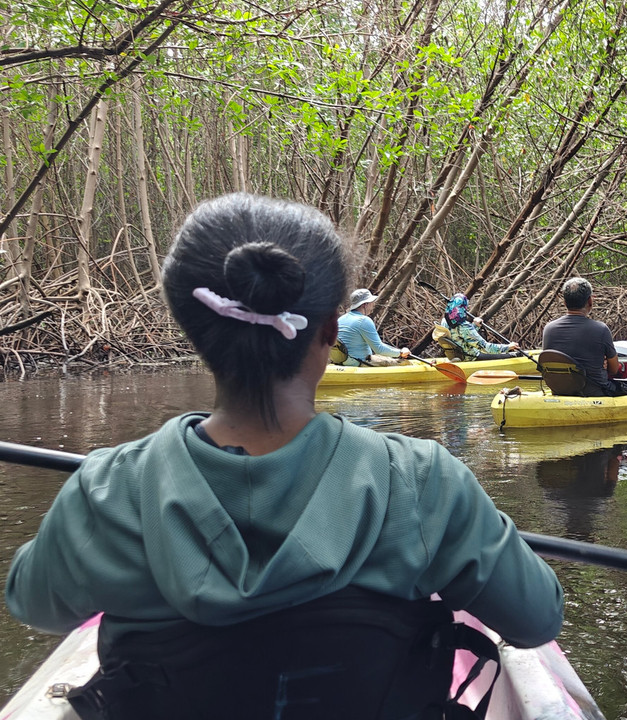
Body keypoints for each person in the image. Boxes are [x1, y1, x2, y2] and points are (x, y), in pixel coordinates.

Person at [4, 193, 563, 719]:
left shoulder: (105, 490)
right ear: (328, 328)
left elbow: (34, 603)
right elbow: (537, 619)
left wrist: (93, 506)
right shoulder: (428, 483)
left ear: (189, 328)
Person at [336, 287, 411, 366]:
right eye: (371, 302)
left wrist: (398, 351)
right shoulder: (364, 320)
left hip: (341, 362)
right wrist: (400, 353)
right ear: (365, 304)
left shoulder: (340, 319)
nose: (373, 304)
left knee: (382, 358)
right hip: (358, 362)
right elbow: (379, 349)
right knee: (406, 364)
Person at [439, 293, 520, 361]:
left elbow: (461, 336)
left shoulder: (444, 322)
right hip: (472, 358)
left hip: (457, 357)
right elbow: (485, 347)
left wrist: (475, 325)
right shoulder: (464, 326)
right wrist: (508, 347)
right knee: (514, 355)